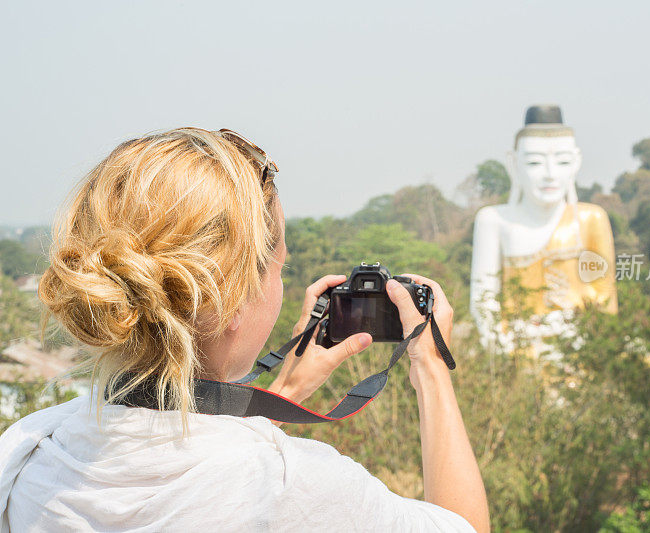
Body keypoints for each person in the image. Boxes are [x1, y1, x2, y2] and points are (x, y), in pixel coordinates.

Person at [0, 128, 490, 532]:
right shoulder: (286, 483)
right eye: (278, 267)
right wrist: (429, 364)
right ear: (236, 293)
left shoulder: (31, 451)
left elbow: (193, 447)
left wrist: (286, 391)